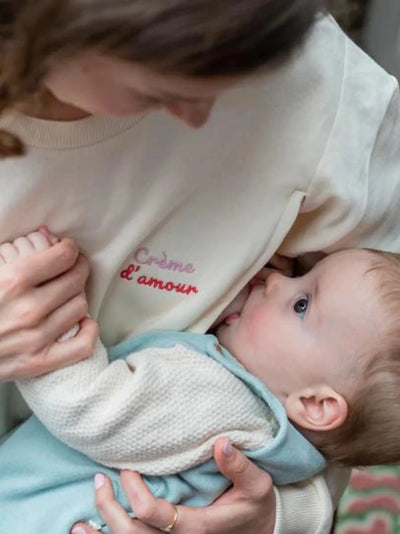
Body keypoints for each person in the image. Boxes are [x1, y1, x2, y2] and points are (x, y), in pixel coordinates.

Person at [0, 1, 399, 533]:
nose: (200, 116)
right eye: (166, 80)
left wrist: (277, 518)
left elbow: (369, 394)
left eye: (301, 298)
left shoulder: (330, 101)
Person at [1, 230, 400, 534]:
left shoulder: (219, 401)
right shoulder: (271, 434)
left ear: (315, 404)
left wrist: (51, 322)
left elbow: (93, 407)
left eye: (301, 304)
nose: (276, 282)